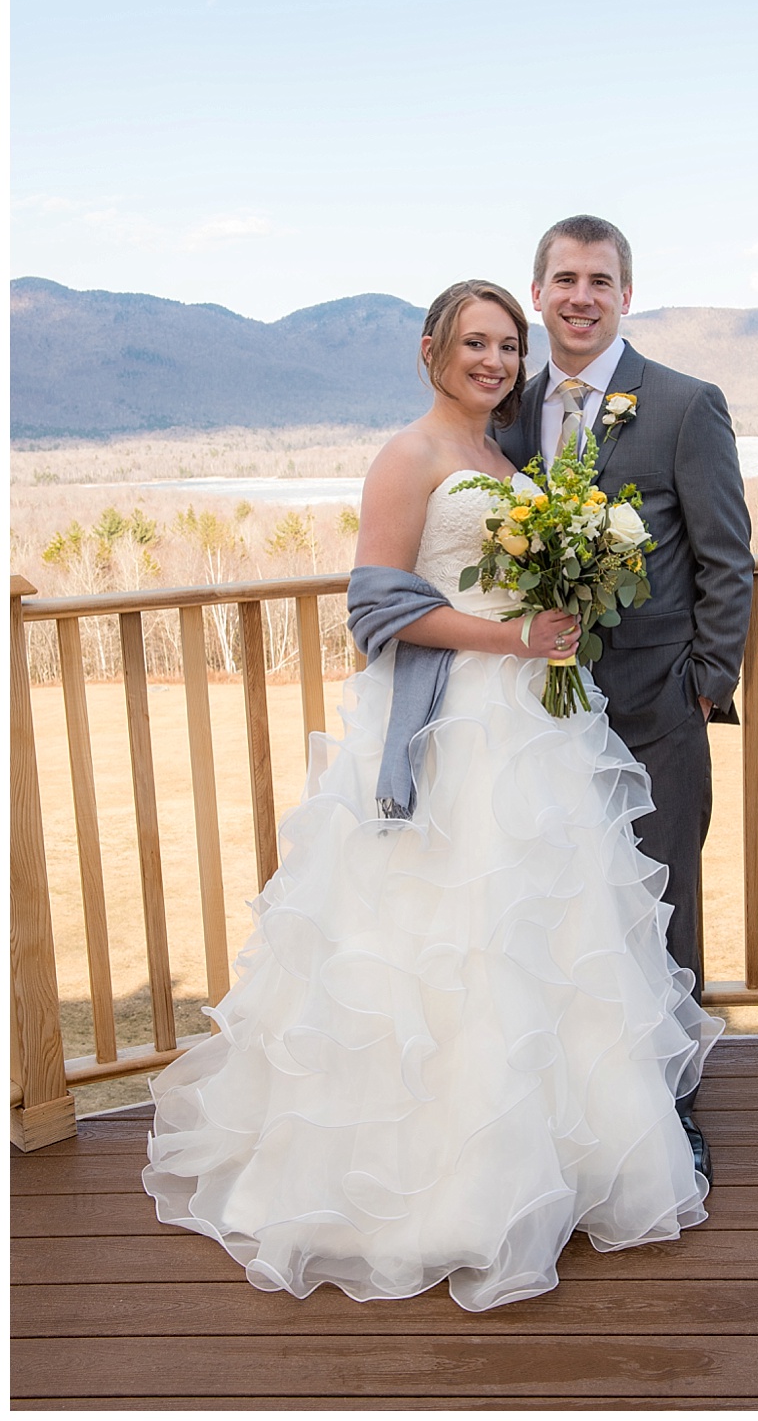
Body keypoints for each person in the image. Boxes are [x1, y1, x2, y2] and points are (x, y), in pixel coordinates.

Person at [142, 279, 722, 1313]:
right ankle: (440, 1194)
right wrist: (508, 636)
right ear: (431, 351)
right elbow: (376, 603)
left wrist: (562, 598)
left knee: (545, 936)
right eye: (475, 344)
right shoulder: (409, 456)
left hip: (534, 728)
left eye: (507, 345)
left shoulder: (511, 463)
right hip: (451, 728)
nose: (495, 362)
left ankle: (569, 1163)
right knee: (445, 943)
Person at [496, 217, 754, 1180]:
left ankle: (676, 1106)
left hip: (656, 711)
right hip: (537, 717)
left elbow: (728, 557)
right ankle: (576, 1104)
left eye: (600, 280)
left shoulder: (686, 405)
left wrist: (705, 684)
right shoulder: (509, 414)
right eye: (564, 278)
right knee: (561, 908)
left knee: (663, 908)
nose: (581, 296)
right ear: (538, 292)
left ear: (626, 295)